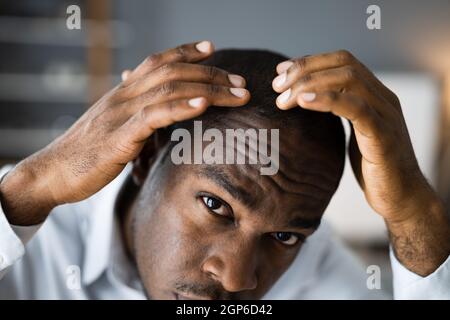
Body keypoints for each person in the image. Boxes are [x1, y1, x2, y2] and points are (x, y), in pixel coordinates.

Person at [0, 41, 449, 299]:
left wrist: (413, 212)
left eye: (285, 236)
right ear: (146, 158)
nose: (238, 280)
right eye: (217, 205)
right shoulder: (25, 224)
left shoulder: (316, 271)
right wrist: (29, 187)